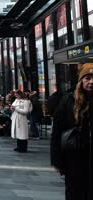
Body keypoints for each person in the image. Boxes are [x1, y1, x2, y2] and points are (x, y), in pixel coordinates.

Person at [51, 64, 92, 200]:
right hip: (75, 157)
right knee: (75, 192)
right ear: (81, 81)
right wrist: (57, 160)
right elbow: (57, 131)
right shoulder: (69, 100)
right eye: (87, 78)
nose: (91, 82)